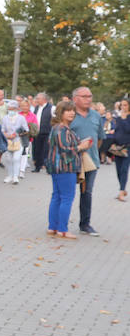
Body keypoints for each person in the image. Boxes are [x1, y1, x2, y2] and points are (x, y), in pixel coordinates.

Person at [46, 100, 85, 239]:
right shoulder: (62, 129)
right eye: (68, 110)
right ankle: (62, 229)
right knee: (66, 198)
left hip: (57, 167)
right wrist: (81, 146)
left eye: (73, 110)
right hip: (65, 167)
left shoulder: (58, 128)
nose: (72, 113)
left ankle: (53, 227)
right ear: (61, 113)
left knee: (57, 196)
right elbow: (65, 149)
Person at [70, 87, 104, 236]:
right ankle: (60, 223)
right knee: (67, 192)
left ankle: (85, 224)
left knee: (87, 193)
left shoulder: (96, 116)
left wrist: (90, 153)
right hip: (71, 160)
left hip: (91, 162)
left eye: (90, 96)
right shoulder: (69, 115)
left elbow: (100, 139)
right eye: (84, 96)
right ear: (75, 98)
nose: (88, 99)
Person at [0, 100, 30, 185]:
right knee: (9, 159)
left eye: (13, 109)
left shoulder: (21, 118)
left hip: (18, 141)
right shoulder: (5, 118)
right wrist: (6, 135)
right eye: (9, 109)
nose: (11, 110)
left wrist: (17, 133)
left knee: (16, 159)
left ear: (16, 109)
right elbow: (2, 129)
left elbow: (26, 129)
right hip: (8, 141)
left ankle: (15, 176)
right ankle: (9, 175)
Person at [108, 99, 130, 202]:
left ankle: (121, 192)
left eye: (125, 105)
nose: (123, 107)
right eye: (121, 105)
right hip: (117, 147)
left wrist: (125, 118)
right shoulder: (118, 118)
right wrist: (113, 141)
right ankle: (122, 188)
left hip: (127, 147)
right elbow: (116, 130)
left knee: (124, 169)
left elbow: (127, 130)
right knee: (118, 170)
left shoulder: (127, 118)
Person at [31, 92, 53, 173]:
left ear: (44, 99)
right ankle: (37, 166)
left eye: (38, 98)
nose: (36, 100)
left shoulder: (51, 108)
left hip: (47, 132)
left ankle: (48, 168)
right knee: (37, 150)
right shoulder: (36, 108)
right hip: (37, 132)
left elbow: (55, 120)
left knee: (46, 150)